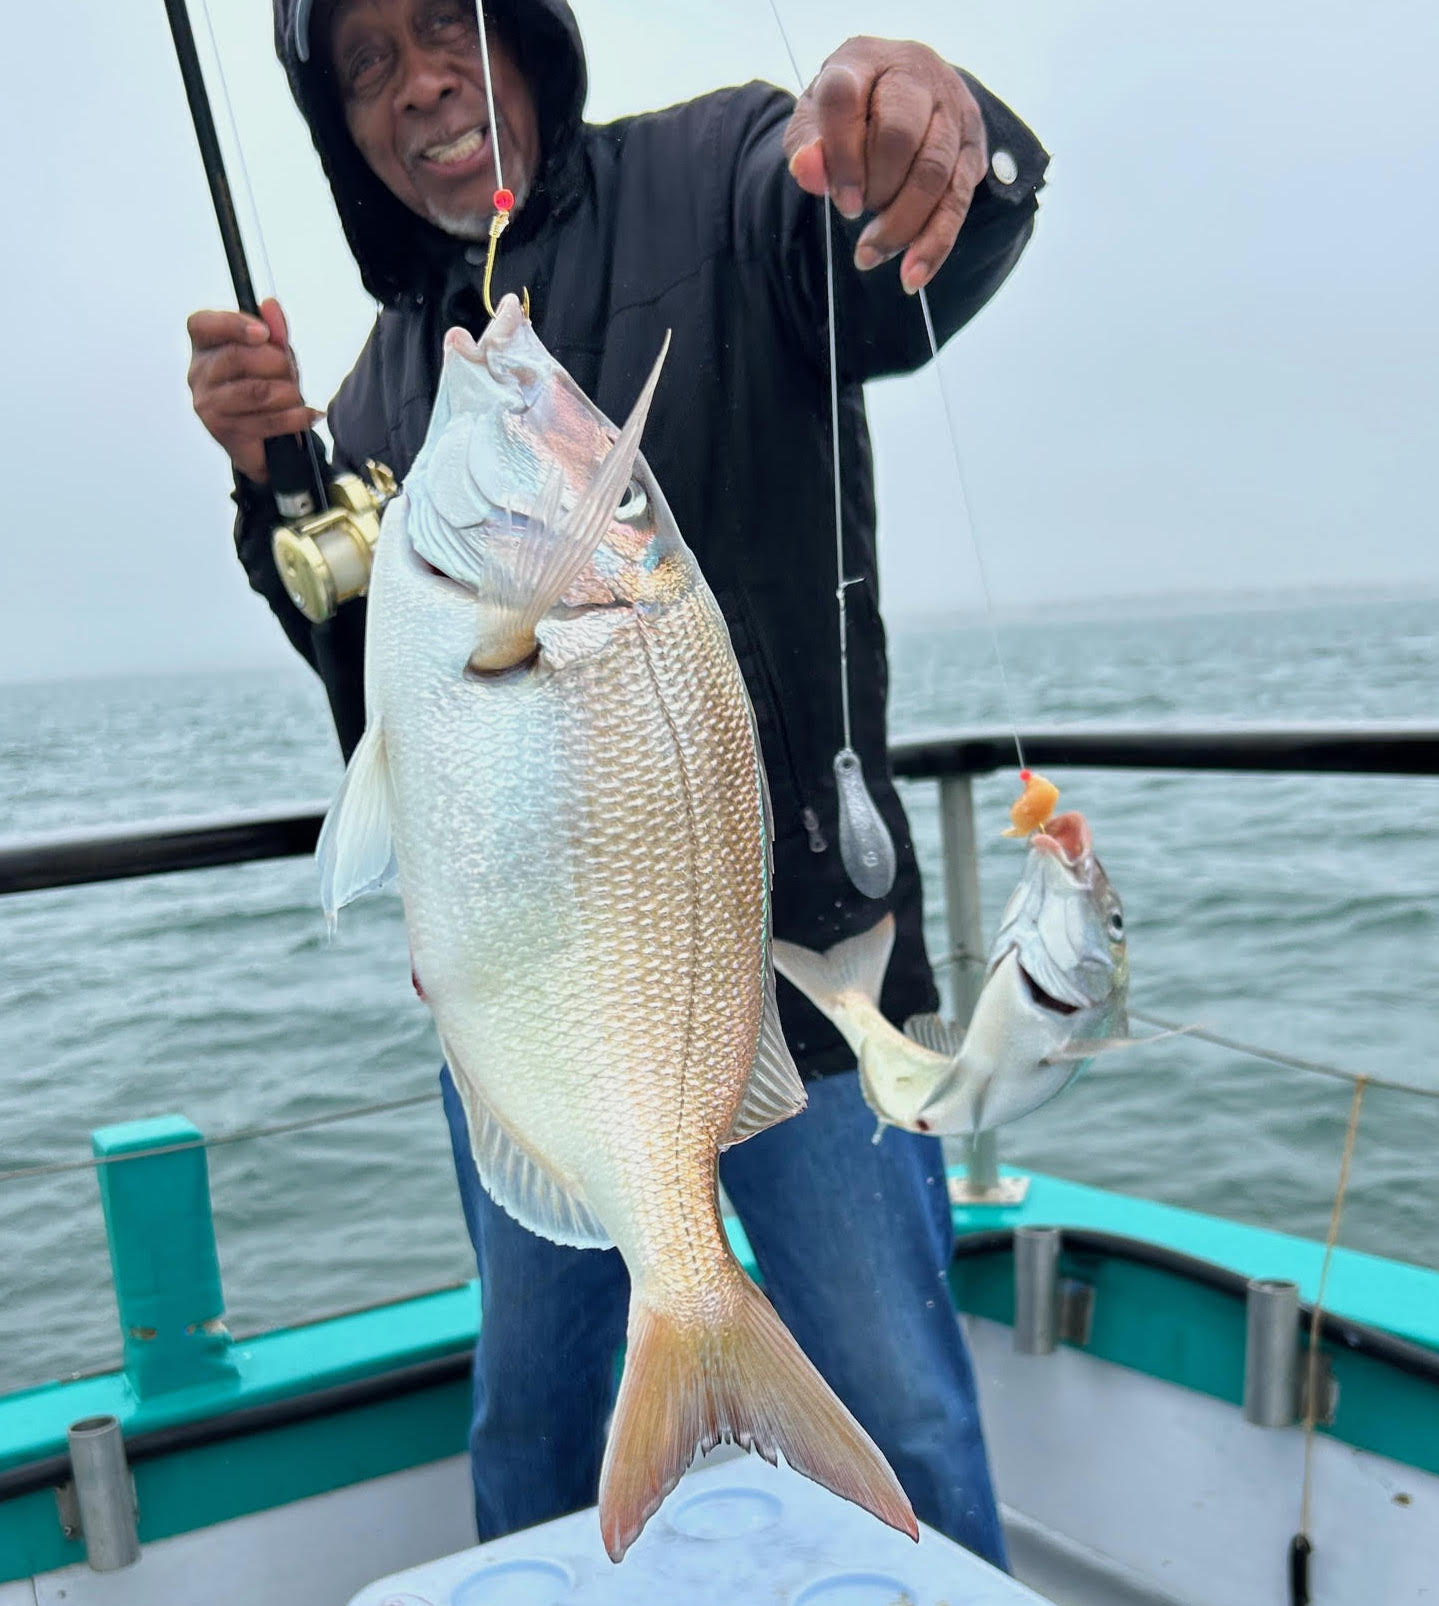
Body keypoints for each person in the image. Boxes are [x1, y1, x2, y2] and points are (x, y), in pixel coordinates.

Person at [187, 0, 1047, 1568]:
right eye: (365, 67)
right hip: (534, 1024)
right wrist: (276, 499)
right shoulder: (394, 392)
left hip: (809, 996)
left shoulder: (723, 171)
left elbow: (889, 255)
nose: (419, 85)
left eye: (440, 25)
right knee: (532, 1419)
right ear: (341, 130)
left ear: (523, 32)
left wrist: (945, 142)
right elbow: (383, 701)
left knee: (901, 1414)